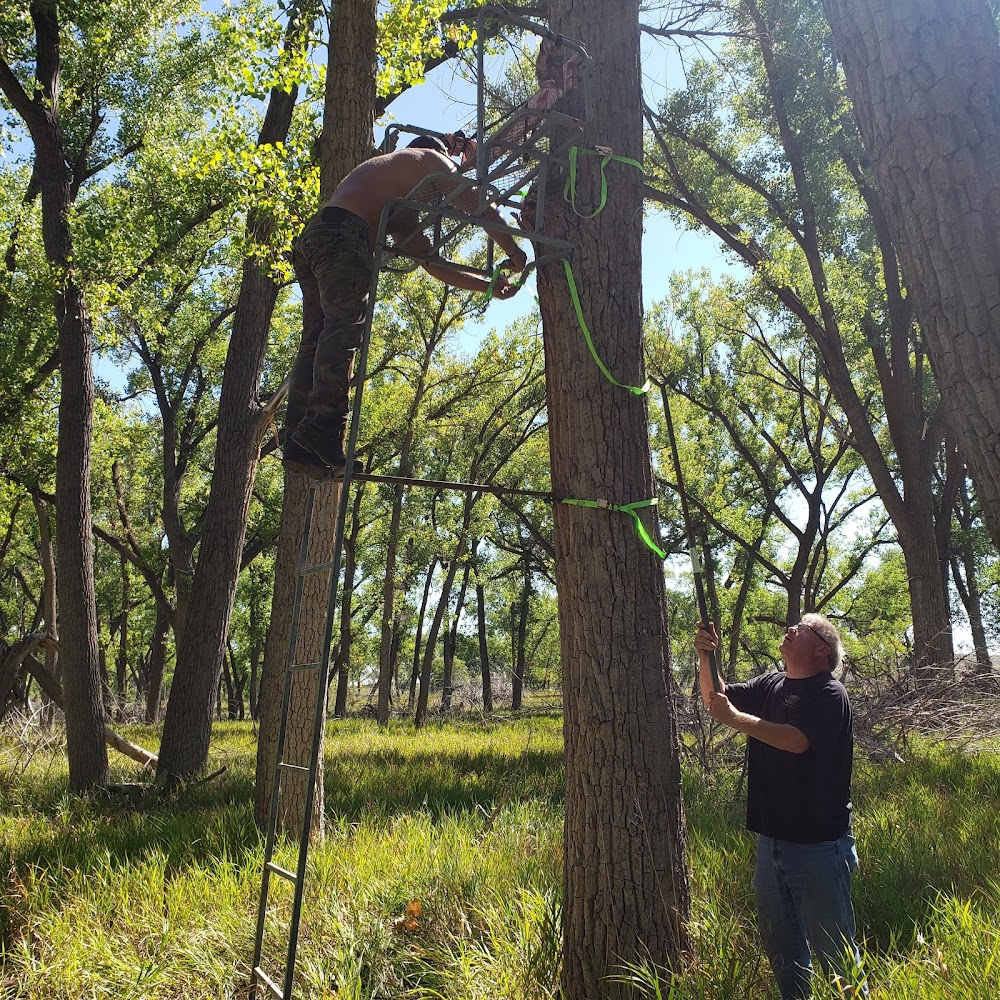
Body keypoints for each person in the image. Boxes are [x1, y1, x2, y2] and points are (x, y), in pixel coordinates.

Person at [283, 131, 529, 477]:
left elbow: (428, 261)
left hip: (316, 236)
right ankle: (319, 431)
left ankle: (298, 438)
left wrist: (486, 286)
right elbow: (477, 203)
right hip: (344, 234)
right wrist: (514, 251)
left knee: (318, 336)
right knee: (343, 329)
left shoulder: (391, 193)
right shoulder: (430, 159)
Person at [694, 615, 866, 999]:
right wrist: (706, 657)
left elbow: (796, 740)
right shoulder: (772, 683)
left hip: (819, 847)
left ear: (821, 649)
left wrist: (735, 719)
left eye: (804, 627)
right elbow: (717, 696)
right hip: (771, 842)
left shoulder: (829, 693)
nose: (792, 628)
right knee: (784, 953)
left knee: (836, 955)